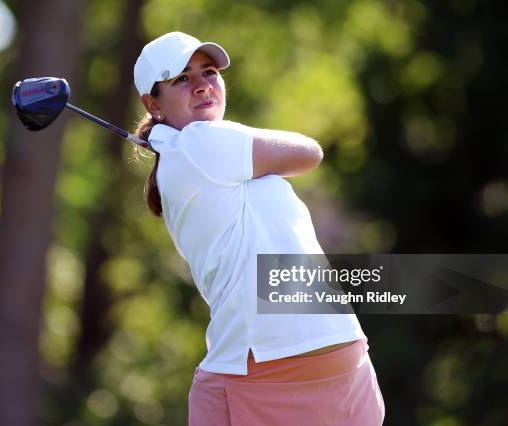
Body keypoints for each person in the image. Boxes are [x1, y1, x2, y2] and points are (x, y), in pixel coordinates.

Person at [132, 31, 385, 425]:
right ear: (153, 103)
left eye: (209, 72)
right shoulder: (200, 142)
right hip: (325, 349)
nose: (202, 85)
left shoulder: (187, 151)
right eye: (182, 78)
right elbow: (309, 152)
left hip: (274, 359)